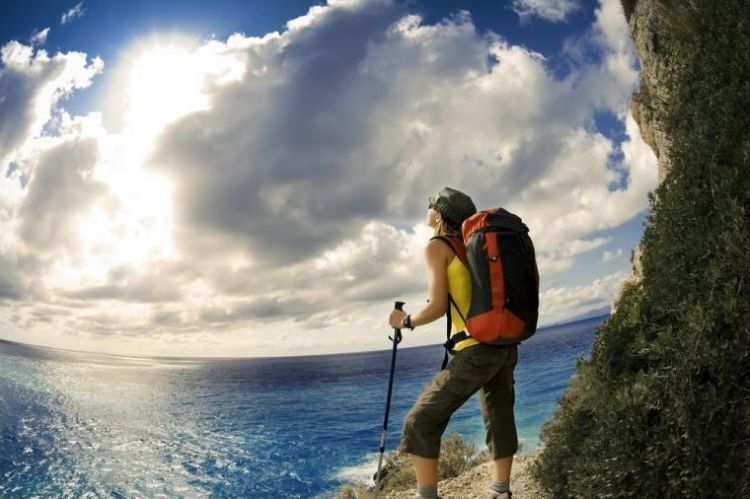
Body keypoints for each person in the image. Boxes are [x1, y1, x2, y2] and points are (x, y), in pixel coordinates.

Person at [388, 187, 518, 499]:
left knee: (420, 420)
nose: (427, 208)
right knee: (499, 416)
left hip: (474, 351)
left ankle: (427, 495)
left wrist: (404, 322)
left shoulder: (438, 246)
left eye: (430, 203)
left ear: (440, 214)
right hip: (505, 344)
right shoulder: (481, 245)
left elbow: (436, 307)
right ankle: (501, 492)